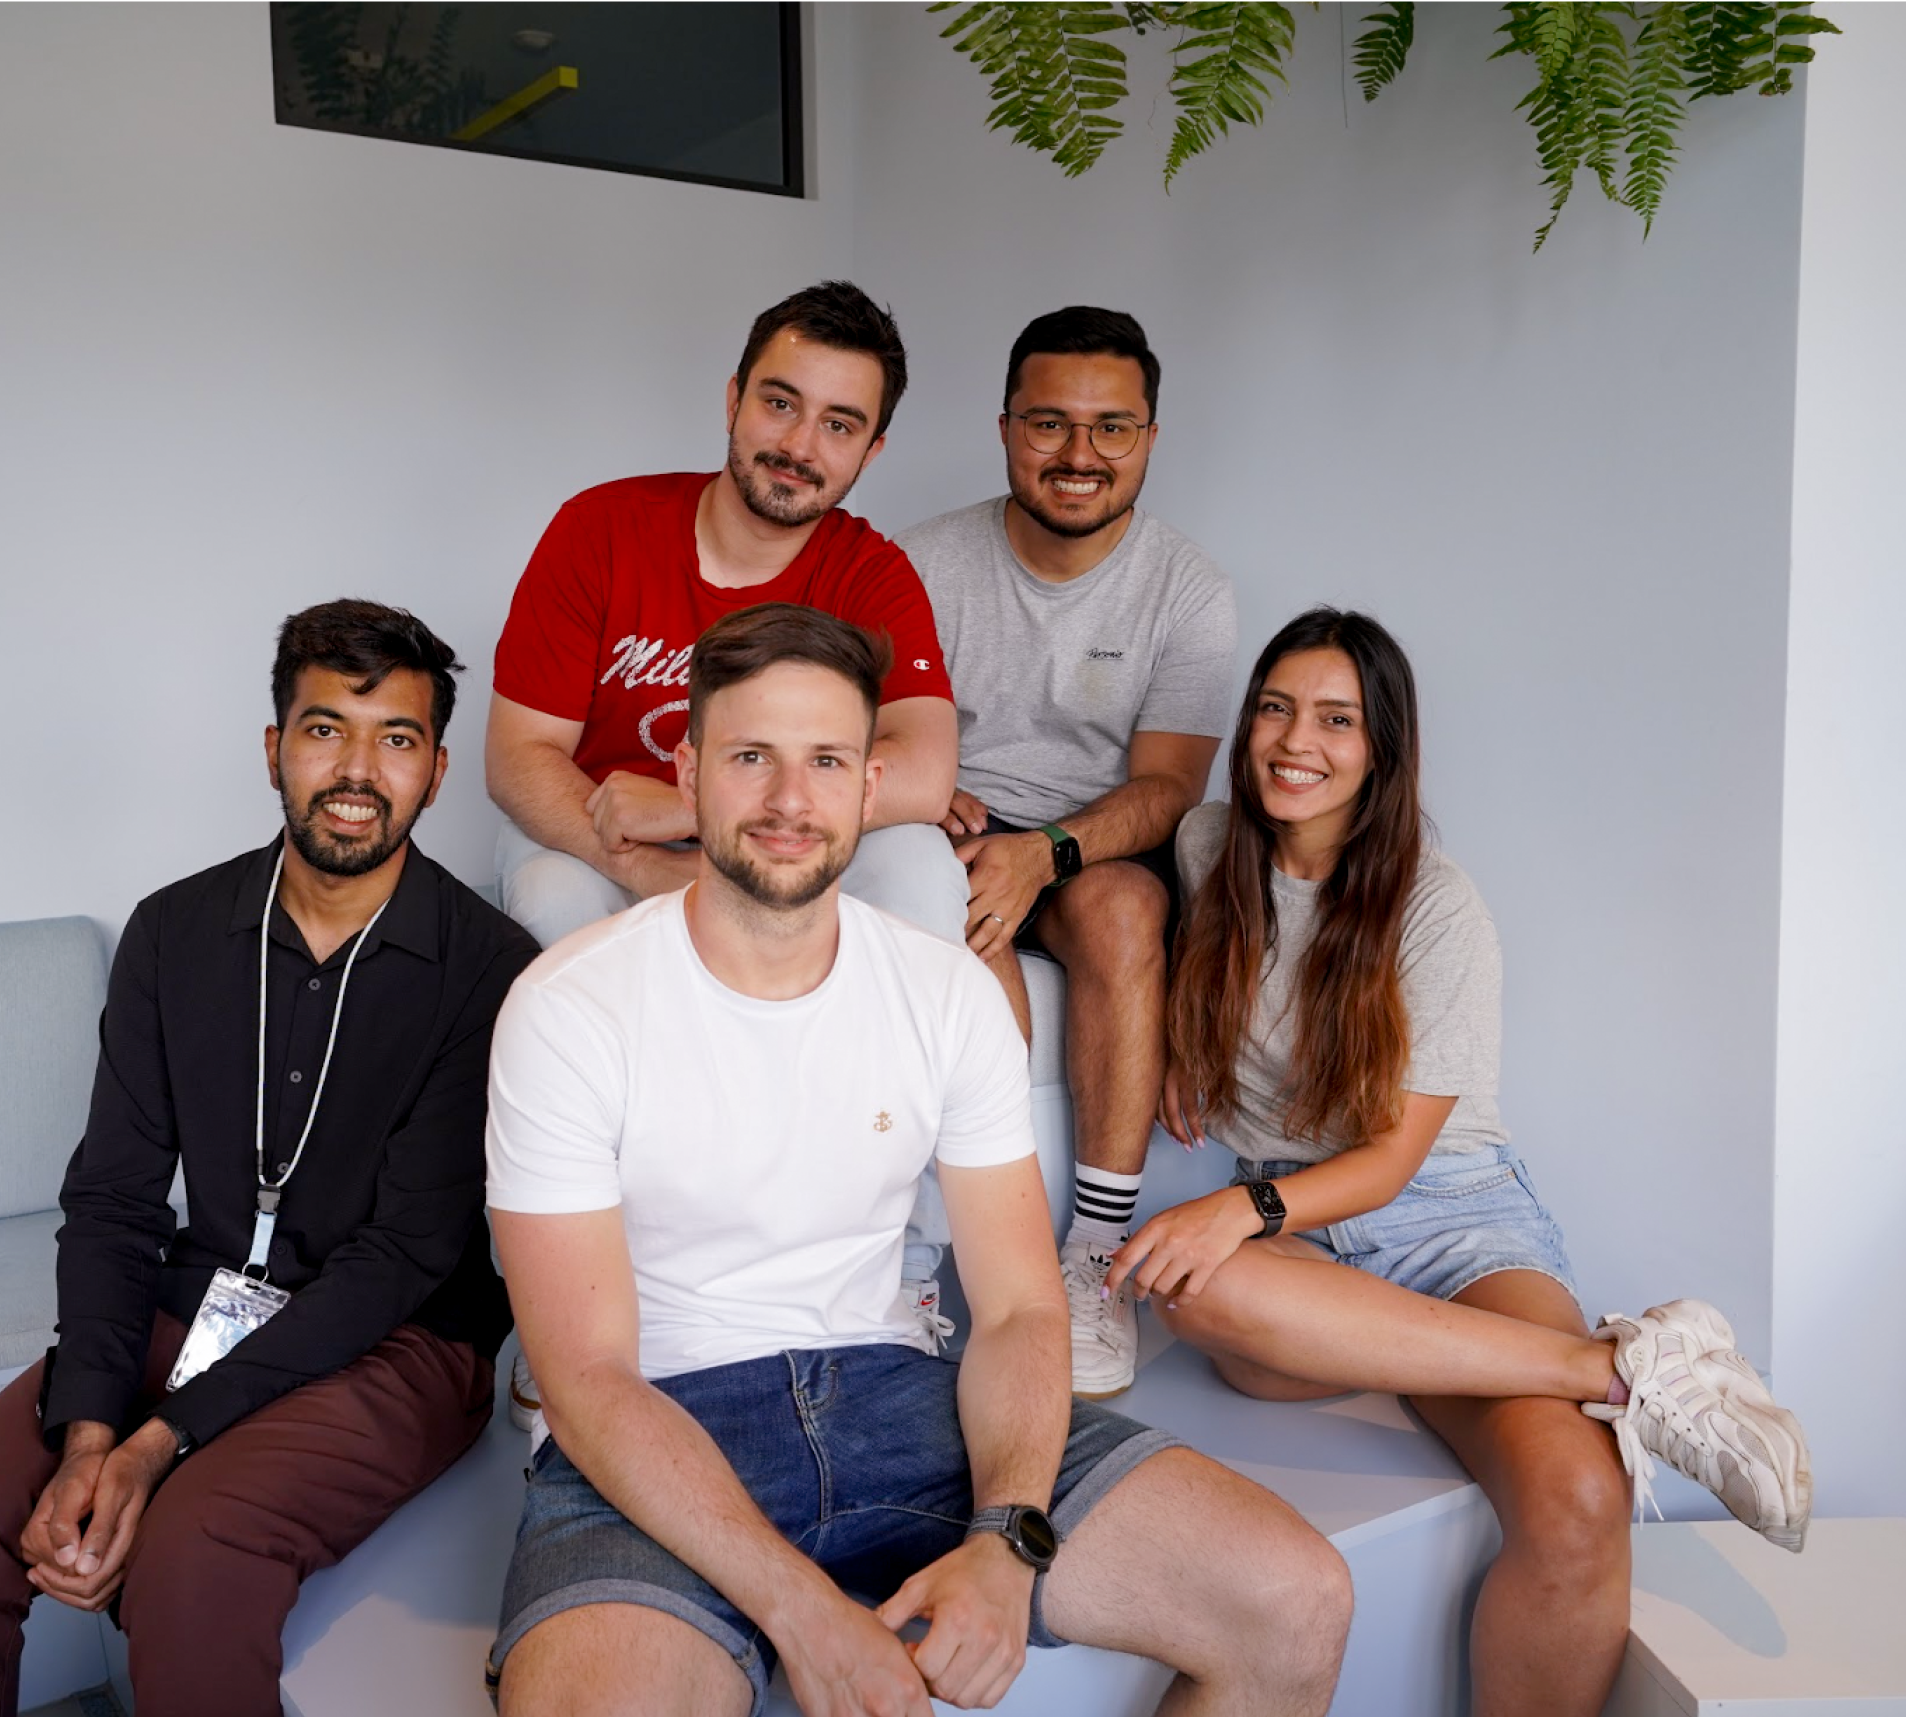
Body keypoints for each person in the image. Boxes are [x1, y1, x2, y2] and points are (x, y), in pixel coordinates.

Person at [485, 603, 1351, 1717]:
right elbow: (587, 1375)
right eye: (751, 758)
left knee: (1294, 1595)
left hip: (903, 1400)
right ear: (690, 772)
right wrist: (800, 1610)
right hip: (658, 1429)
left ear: (866, 785)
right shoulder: (568, 1007)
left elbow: (1022, 1313)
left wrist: (1008, 1536)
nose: (791, 802)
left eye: (825, 762)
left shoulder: (941, 992)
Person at [1113, 607, 1811, 1717]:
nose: (1297, 740)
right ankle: (1629, 1369)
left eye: (1336, 720)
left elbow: (1392, 1163)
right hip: (1301, 1236)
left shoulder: (1435, 906)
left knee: (1578, 1494)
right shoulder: (1208, 848)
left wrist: (1241, 1205)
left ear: (1381, 750)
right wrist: (1162, 1045)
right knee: (1197, 1286)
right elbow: (1124, 929)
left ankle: (1584, 1376)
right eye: (1275, 707)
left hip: (1452, 1221)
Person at [0, 600, 538, 1717]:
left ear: (434, 772)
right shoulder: (175, 930)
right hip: (196, 1301)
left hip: (399, 1343)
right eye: (326, 729)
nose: (358, 770)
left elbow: (405, 1252)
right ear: (274, 749)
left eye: (397, 739)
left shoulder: (494, 970)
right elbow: (111, 1198)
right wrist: (92, 1425)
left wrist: (158, 1445)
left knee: (194, 1552)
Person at [487, 282, 967, 1419]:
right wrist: (654, 855)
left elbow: (926, 770)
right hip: (606, 856)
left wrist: (702, 812)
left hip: (767, 860)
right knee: (555, 894)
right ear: (733, 398)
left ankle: (897, 1272)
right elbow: (520, 759)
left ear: (872, 446)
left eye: (838, 425)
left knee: (920, 872)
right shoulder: (601, 525)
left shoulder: (868, 572)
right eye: (781, 404)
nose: (801, 445)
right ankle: (576, 1311)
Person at [898, 307, 1236, 1398]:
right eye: (1048, 423)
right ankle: (935, 1269)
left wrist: (1044, 851)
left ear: (1149, 437)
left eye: (1111, 428)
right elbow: (879, 730)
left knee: (1125, 912)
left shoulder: (1189, 589)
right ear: (1004, 428)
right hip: (947, 832)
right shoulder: (926, 561)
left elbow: (1170, 790)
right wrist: (936, 796)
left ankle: (1092, 1253)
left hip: (1091, 844)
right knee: (963, 931)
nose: (1079, 455)